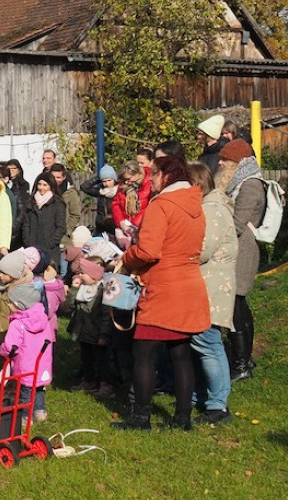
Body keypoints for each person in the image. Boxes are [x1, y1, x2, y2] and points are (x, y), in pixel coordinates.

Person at [113, 155, 210, 431]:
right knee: (180, 353)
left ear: (166, 175)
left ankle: (141, 418)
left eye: (153, 174)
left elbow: (148, 251)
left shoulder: (161, 206)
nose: (150, 180)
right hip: (189, 284)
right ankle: (183, 418)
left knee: (143, 353)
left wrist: (127, 258)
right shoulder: (196, 205)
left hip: (163, 288)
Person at [188, 161, 236, 425]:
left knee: (208, 342)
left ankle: (218, 404)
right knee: (199, 342)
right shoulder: (207, 208)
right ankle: (203, 396)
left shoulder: (214, 210)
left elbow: (202, 249)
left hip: (212, 288)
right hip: (203, 286)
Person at [216, 140, 265, 382]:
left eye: (225, 160)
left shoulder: (251, 184)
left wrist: (214, 234)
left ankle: (242, 363)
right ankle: (243, 359)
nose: (220, 163)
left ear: (236, 162)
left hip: (242, 250)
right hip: (232, 249)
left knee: (237, 306)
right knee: (236, 306)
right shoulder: (237, 182)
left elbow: (237, 223)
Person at [0, 285, 55, 422]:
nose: (8, 304)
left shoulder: (18, 324)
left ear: (19, 305)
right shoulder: (43, 319)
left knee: (25, 391)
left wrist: (3, 351)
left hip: (25, 365)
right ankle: (40, 412)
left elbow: (11, 346)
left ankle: (25, 417)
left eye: (10, 302)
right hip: (42, 363)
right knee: (39, 388)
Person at [66, 257, 114, 398]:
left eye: (82, 273)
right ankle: (89, 380)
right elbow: (70, 305)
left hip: (97, 332)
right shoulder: (81, 288)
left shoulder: (102, 291)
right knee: (86, 358)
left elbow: (106, 315)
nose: (79, 276)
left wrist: (104, 334)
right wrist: (73, 289)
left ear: (92, 274)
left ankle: (106, 385)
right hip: (83, 332)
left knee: (102, 361)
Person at [25, 172, 67, 259]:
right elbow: (26, 224)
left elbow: (61, 227)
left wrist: (50, 242)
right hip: (32, 248)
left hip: (50, 249)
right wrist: (28, 242)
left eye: (45, 185)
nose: (41, 188)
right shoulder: (31, 202)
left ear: (51, 186)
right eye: (39, 184)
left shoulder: (57, 203)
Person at [113, 156, 154, 244]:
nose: (126, 182)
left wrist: (136, 225)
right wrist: (121, 222)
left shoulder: (150, 183)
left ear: (138, 174)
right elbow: (116, 203)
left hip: (142, 229)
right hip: (126, 229)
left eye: (128, 179)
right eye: (124, 180)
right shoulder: (123, 184)